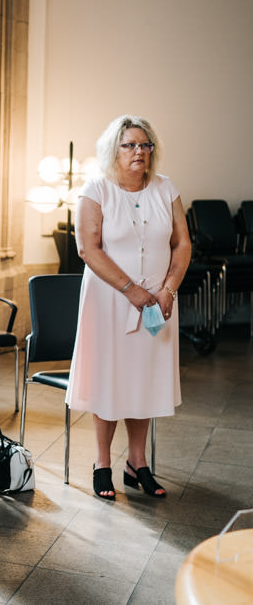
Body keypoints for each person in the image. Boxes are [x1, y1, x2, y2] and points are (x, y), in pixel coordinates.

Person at [66, 115, 189, 500]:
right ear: (113, 150)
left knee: (144, 378)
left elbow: (182, 244)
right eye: (130, 145)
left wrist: (169, 289)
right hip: (110, 300)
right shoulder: (96, 190)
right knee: (110, 378)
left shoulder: (165, 188)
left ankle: (137, 463)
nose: (139, 152)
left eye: (145, 145)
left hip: (157, 303)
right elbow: (88, 248)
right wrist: (130, 289)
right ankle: (102, 463)